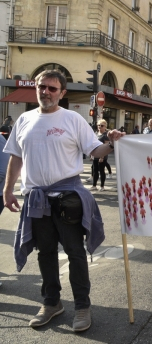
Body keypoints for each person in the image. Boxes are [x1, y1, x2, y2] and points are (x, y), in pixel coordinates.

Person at [2, 69, 125, 331]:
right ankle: (51, 303)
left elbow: (95, 151)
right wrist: (8, 189)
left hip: (67, 199)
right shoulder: (23, 119)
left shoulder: (73, 119)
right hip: (36, 199)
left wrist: (112, 144)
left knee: (75, 253)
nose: (45, 91)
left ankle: (82, 306)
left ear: (62, 93)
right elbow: (15, 156)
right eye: (41, 86)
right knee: (45, 253)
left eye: (51, 88)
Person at [90, 119, 110, 192]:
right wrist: (92, 154)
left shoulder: (106, 135)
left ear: (105, 127)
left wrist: (102, 157)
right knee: (95, 171)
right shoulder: (95, 134)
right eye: (98, 125)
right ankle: (94, 185)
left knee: (101, 171)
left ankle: (102, 186)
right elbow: (93, 144)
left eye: (102, 125)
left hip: (102, 156)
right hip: (95, 154)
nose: (100, 127)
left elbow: (106, 147)